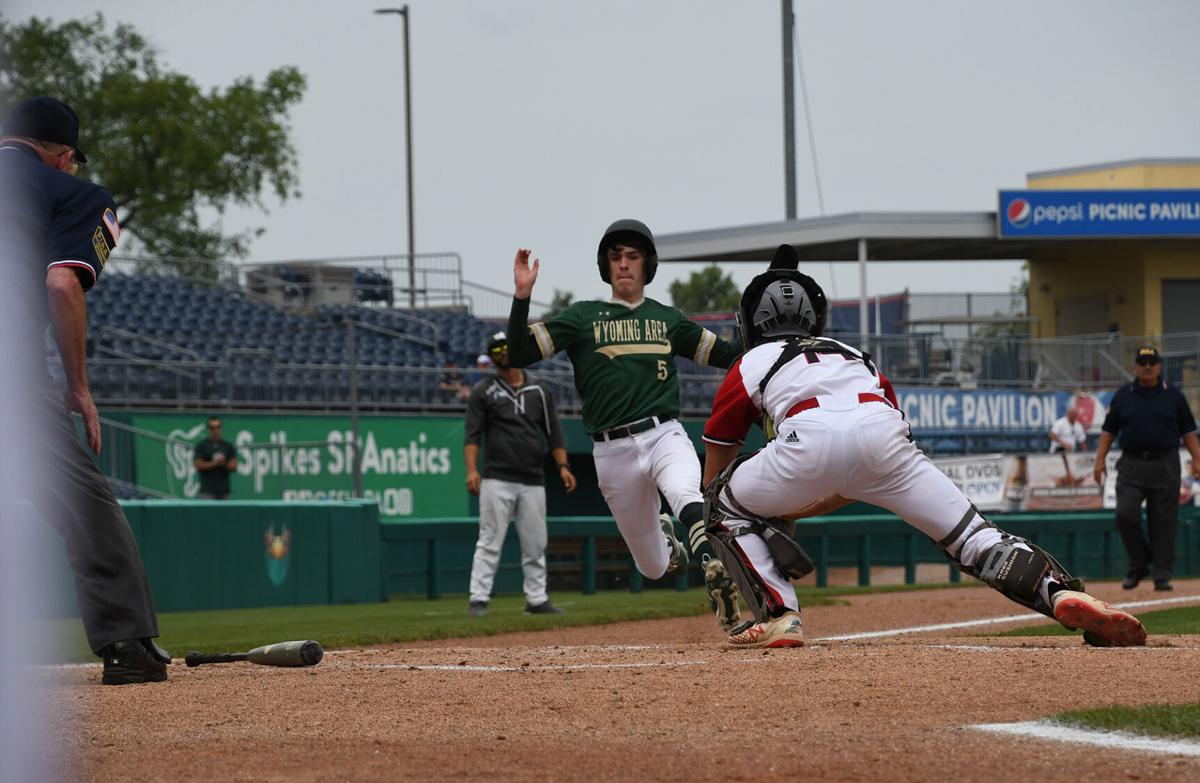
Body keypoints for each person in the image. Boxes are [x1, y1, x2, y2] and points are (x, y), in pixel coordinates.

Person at [699, 244, 1146, 649]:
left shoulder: (749, 361)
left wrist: (718, 526)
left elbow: (720, 454)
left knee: (723, 501)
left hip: (805, 437)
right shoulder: (852, 354)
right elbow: (854, 470)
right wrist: (792, 506)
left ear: (750, 324)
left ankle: (780, 614)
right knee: (974, 536)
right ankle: (1060, 591)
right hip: (883, 437)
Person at [0, 96, 168, 683]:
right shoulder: (73, 193)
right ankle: (128, 645)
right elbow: (62, 284)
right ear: (63, 155)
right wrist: (79, 387)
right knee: (85, 505)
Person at [506, 219, 743, 632]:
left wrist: (757, 329)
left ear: (647, 264)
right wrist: (522, 297)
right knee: (652, 568)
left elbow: (731, 356)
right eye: (616, 257)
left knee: (686, 491)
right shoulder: (582, 317)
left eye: (632, 256)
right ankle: (669, 540)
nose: (624, 264)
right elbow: (519, 353)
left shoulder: (669, 320)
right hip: (611, 451)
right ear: (605, 266)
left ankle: (713, 563)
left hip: (663, 433)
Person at [464, 331, 575, 616]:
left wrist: (563, 466)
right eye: (497, 349)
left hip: (532, 477)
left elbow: (555, 434)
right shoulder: (483, 391)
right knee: (489, 539)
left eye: (507, 347)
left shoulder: (539, 390)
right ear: (492, 356)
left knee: (535, 541)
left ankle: (537, 599)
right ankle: (478, 598)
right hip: (497, 477)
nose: (503, 353)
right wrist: (471, 470)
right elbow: (472, 435)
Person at [1093, 345, 1200, 592]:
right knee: (1125, 514)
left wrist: (1196, 459)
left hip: (1165, 462)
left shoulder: (1173, 395)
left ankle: (1162, 574)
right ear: (1136, 367)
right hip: (1132, 463)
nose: (1148, 367)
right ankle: (1139, 563)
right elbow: (1109, 430)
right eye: (1143, 362)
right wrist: (1100, 460)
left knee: (1163, 521)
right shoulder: (1124, 395)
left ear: (1160, 366)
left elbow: (1189, 432)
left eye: (1152, 362)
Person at [193, 415, 238, 499]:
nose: (215, 430)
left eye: (218, 427)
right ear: (208, 429)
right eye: (212, 427)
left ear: (221, 428)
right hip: (207, 492)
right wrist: (214, 463)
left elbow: (234, 466)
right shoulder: (202, 445)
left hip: (224, 492)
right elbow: (197, 464)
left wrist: (223, 463)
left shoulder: (227, 446)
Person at [1048, 404, 1088, 486]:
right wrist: (1064, 443)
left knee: (1077, 474)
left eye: (1074, 415)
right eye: (1071, 415)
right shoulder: (1060, 423)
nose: (1073, 417)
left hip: (1070, 454)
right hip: (1057, 452)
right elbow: (1052, 435)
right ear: (1068, 414)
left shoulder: (1078, 426)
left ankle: (1071, 481)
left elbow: (1082, 442)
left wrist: (1086, 454)